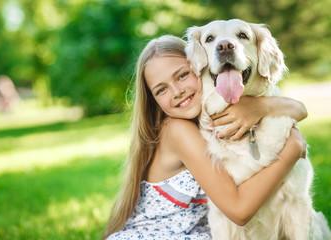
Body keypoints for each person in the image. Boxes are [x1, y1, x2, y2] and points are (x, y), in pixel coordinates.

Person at [103, 35, 307, 240]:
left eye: (182, 75)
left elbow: (300, 109)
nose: (177, 91)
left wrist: (262, 106)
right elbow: (239, 210)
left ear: (202, 65)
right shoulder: (178, 129)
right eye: (161, 89)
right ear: (154, 100)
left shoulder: (210, 119)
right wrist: (292, 150)